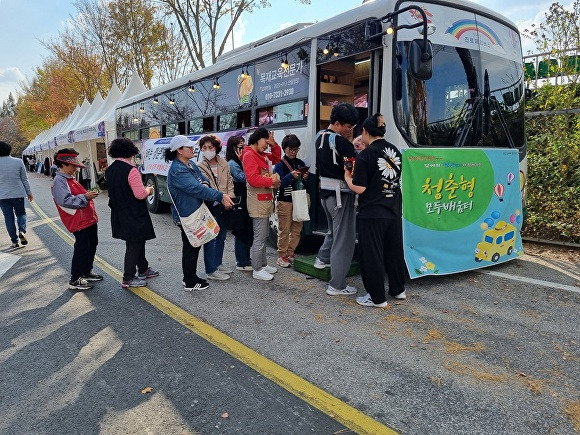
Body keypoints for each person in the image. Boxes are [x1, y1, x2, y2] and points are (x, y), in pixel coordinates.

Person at [344, 113, 406, 308]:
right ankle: (398, 289)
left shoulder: (366, 154)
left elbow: (359, 187)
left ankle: (376, 297)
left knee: (372, 254)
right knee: (393, 251)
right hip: (393, 209)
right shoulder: (394, 151)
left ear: (364, 131)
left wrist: (347, 177)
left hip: (372, 212)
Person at [165, 135, 234, 292]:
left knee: (194, 245)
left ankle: (191, 277)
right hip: (187, 214)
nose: (192, 148)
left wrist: (203, 183)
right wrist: (220, 196)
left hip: (194, 212)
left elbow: (204, 181)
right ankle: (189, 280)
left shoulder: (189, 164)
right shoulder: (178, 170)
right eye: (188, 147)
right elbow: (197, 188)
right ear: (179, 150)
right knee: (191, 246)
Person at [315, 102, 359, 296]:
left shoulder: (319, 136)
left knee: (332, 232)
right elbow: (354, 168)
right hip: (341, 196)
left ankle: (322, 258)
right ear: (338, 123)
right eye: (348, 126)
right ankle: (337, 285)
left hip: (325, 194)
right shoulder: (340, 142)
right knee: (344, 240)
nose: (350, 130)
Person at [106, 138, 159, 289]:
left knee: (137, 241)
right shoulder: (131, 170)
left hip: (119, 211)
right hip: (133, 213)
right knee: (134, 244)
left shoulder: (110, 169)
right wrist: (149, 189)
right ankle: (128, 277)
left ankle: (143, 269)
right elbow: (140, 194)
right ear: (130, 151)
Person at [51, 148, 103, 291]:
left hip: (87, 219)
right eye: (72, 165)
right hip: (79, 221)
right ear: (63, 165)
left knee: (91, 245)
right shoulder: (59, 180)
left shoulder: (69, 179)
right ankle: (75, 278)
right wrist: (85, 197)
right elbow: (64, 200)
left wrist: (86, 195)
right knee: (82, 248)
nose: (75, 168)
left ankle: (86, 272)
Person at [241, 127, 281, 281]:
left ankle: (263, 264)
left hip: (264, 199)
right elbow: (252, 179)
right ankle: (257, 269)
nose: (266, 145)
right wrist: (272, 180)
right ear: (256, 139)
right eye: (265, 141)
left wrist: (274, 144)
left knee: (263, 235)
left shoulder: (260, 154)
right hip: (257, 201)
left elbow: (276, 158)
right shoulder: (249, 154)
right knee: (260, 236)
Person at [197, 135, 235, 281]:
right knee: (211, 237)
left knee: (222, 236)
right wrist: (221, 198)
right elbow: (206, 187)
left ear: (217, 148)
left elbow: (230, 182)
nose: (207, 150)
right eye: (204, 148)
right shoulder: (200, 166)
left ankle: (218, 264)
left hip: (226, 204)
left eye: (210, 147)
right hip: (211, 205)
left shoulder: (224, 163)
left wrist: (229, 198)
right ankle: (211, 270)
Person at [273, 134, 309, 267]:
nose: (293, 152)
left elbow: (305, 182)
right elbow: (279, 184)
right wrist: (290, 176)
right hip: (285, 200)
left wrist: (304, 177)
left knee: (297, 229)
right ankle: (281, 255)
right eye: (291, 149)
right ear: (284, 148)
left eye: (296, 149)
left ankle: (290, 253)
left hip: (299, 199)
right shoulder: (279, 165)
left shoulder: (301, 163)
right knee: (284, 229)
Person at [225, 136, 253, 271]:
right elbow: (245, 178)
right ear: (233, 148)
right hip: (239, 201)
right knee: (240, 229)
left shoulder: (239, 161)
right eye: (240, 146)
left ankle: (246, 259)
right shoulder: (232, 163)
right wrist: (245, 163)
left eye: (244, 145)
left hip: (246, 199)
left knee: (247, 228)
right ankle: (241, 261)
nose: (243, 149)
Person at [0, 141, 33, 248]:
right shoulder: (18, 161)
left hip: (2, 195)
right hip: (18, 194)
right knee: (21, 213)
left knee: (8, 217)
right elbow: (24, 179)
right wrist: (29, 192)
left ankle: (14, 241)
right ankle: (22, 230)